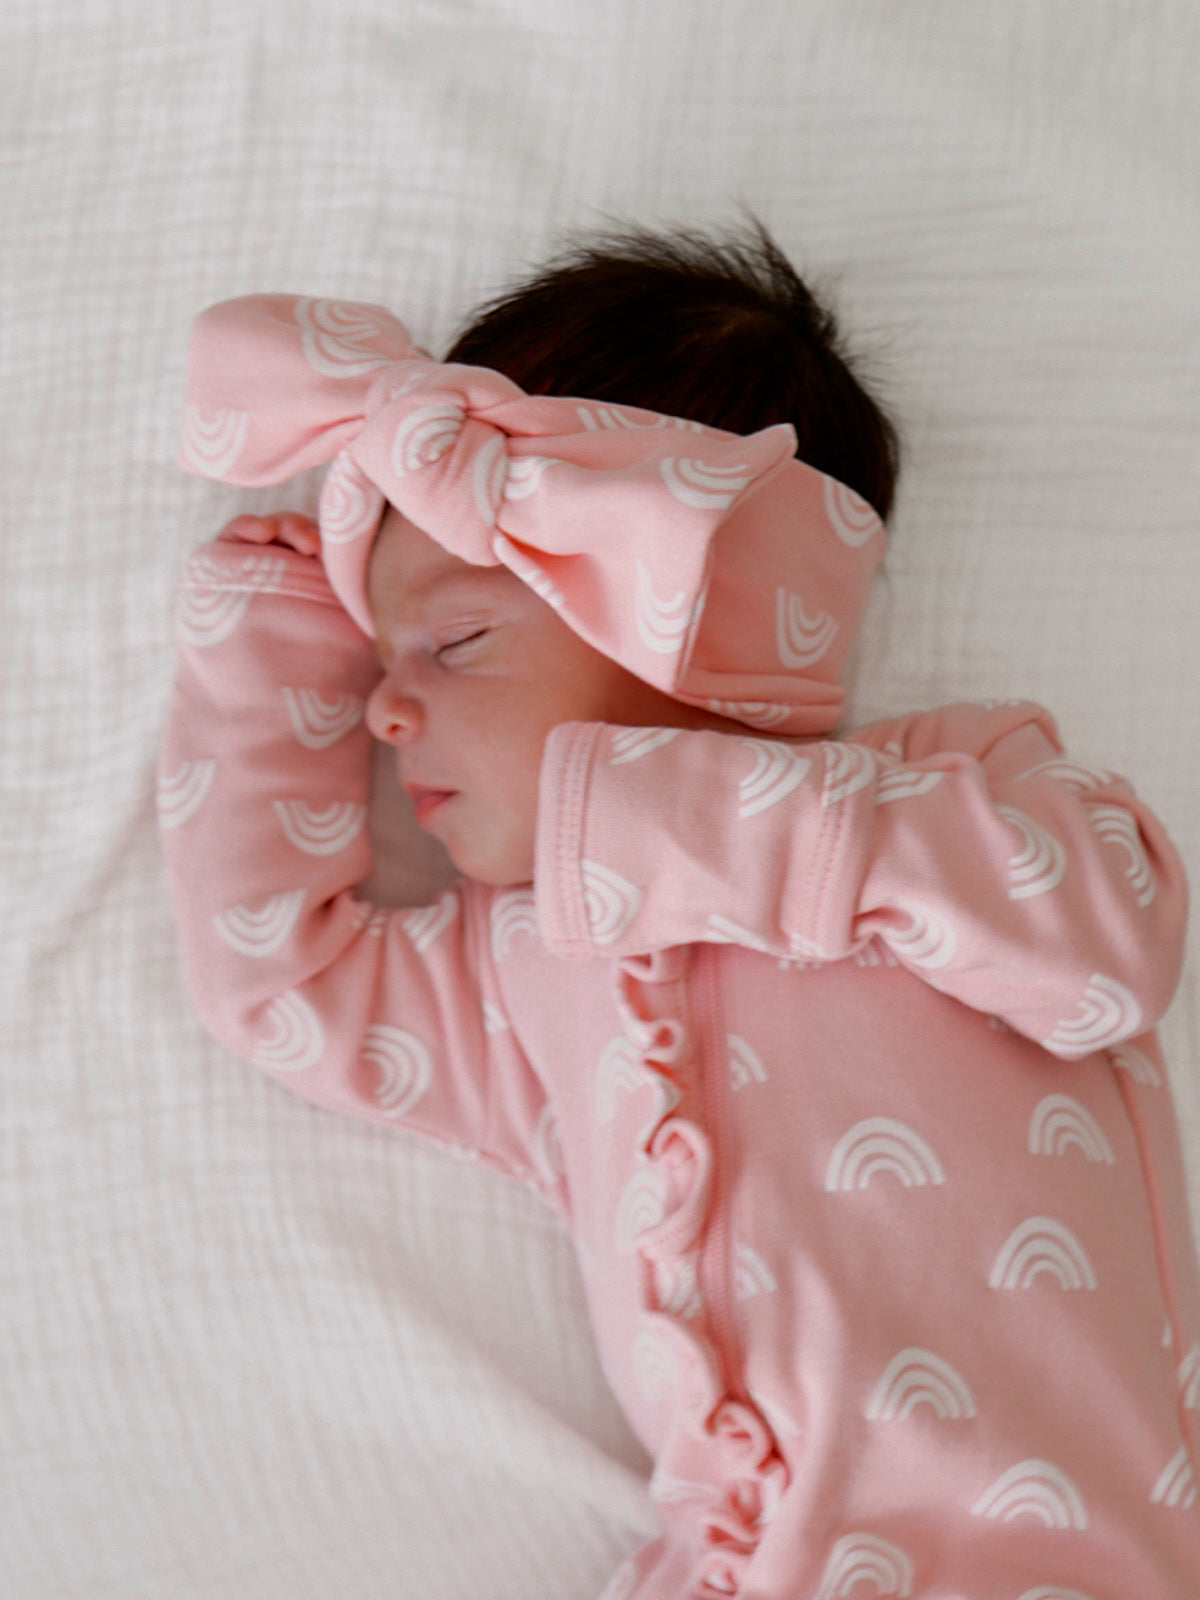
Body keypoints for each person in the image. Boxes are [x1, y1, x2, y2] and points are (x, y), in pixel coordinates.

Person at [160, 223, 1200, 1598]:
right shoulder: (519, 965)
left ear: (708, 612)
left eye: (457, 640)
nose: (387, 706)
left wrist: (661, 810)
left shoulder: (955, 793)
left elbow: (1107, 954)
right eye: (378, 654)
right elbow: (280, 983)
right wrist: (274, 654)